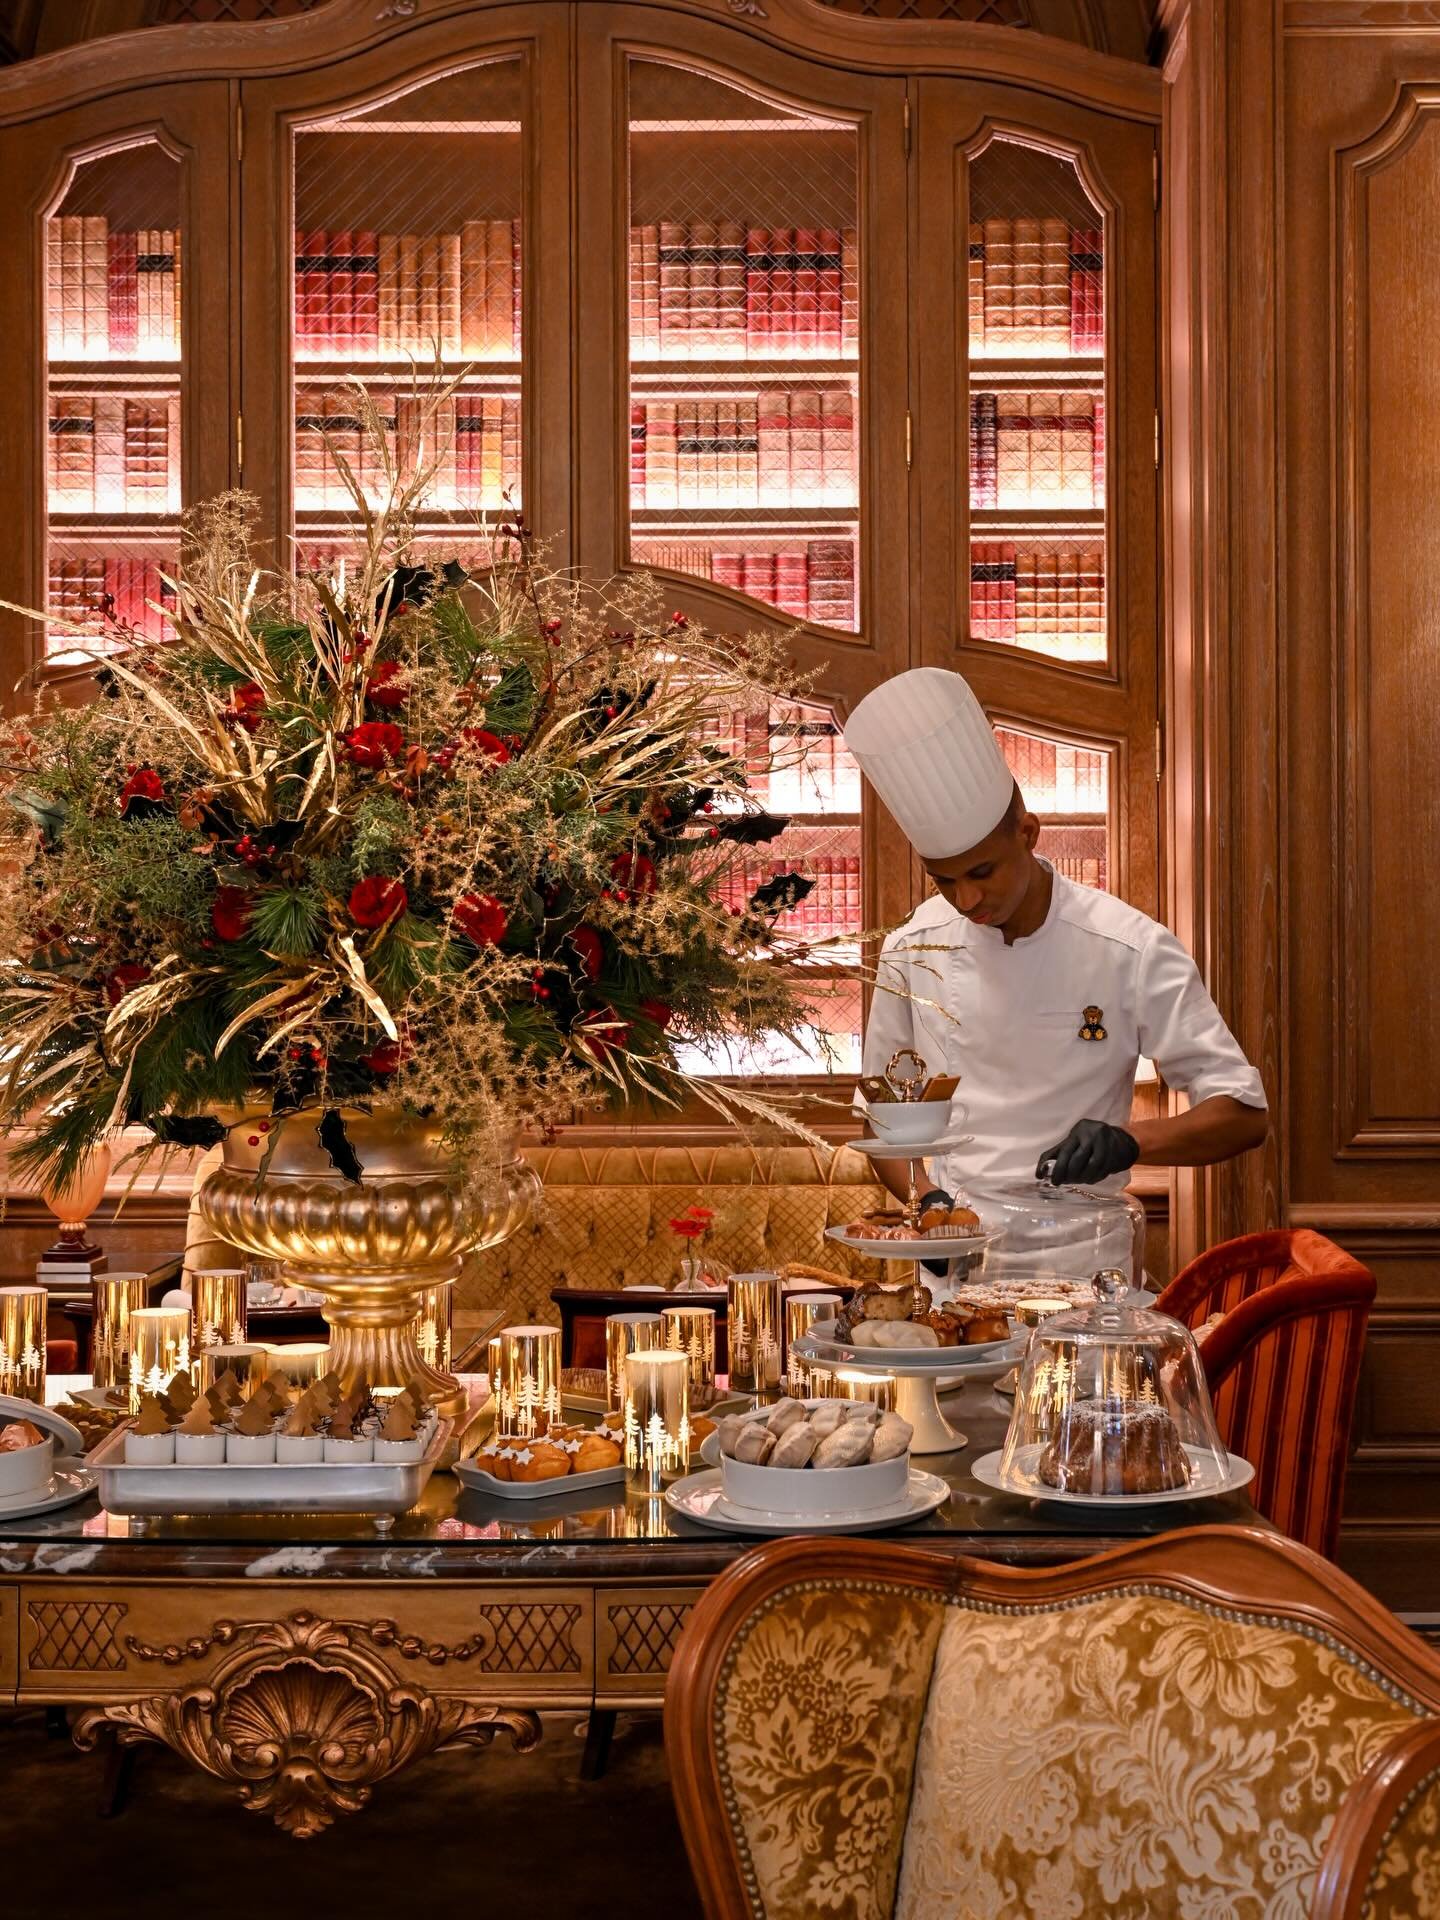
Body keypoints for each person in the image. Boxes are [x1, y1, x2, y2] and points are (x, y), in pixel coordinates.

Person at [844, 668, 1265, 1248]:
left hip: (1086, 1266)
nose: (966, 900)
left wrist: (1132, 1140)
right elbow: (881, 1121)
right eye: (944, 881)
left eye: (983, 873)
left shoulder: (1130, 947)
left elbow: (1243, 1114)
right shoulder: (913, 949)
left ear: (1029, 834)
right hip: (956, 1260)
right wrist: (928, 1204)